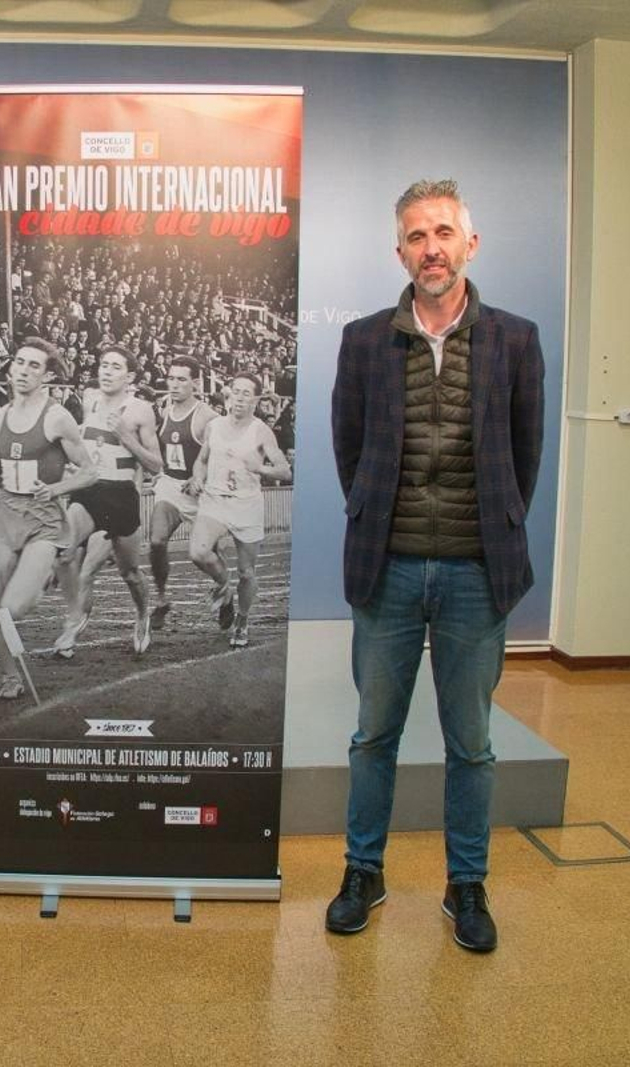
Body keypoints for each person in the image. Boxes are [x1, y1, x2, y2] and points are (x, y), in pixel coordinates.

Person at [325, 180, 544, 953]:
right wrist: (380, 520)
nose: (432, 248)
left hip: (474, 576)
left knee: (472, 742)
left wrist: (487, 535)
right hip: (386, 573)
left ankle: (467, 883)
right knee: (372, 735)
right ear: (400, 252)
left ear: (470, 244)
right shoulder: (362, 341)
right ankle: (363, 872)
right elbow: (350, 449)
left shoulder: (516, 340)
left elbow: (524, 458)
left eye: (444, 232)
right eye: (417, 236)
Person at [0, 339, 96, 699]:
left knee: (14, 607)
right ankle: (11, 675)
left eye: (34, 366)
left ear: (47, 375)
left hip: (44, 521)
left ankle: (47, 569)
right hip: (6, 516)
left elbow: (90, 472)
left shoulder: (57, 417)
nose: (23, 370)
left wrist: (57, 488)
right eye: (19, 362)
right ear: (10, 367)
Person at [51, 346, 162, 659]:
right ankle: (76, 618)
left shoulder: (140, 411)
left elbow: (156, 465)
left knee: (130, 573)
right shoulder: (89, 399)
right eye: (104, 365)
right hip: (89, 490)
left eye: (115, 367)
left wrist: (126, 436)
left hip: (121, 497)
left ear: (129, 376)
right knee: (65, 551)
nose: (107, 371)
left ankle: (142, 617)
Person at [186, 374, 291, 649]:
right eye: (235, 392)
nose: (239, 399)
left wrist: (261, 469)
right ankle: (223, 586)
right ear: (228, 395)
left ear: (256, 400)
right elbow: (201, 461)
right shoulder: (214, 426)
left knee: (247, 572)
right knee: (198, 551)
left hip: (246, 505)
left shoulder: (261, 431)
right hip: (215, 500)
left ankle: (242, 620)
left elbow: (285, 470)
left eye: (246, 394)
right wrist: (198, 477)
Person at [146, 356, 216, 629]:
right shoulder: (164, 409)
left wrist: (200, 477)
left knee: (205, 555)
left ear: (195, 383)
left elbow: (219, 454)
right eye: (171, 378)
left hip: (200, 492)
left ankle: (225, 593)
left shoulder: (207, 417)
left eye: (181, 379)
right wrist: (157, 473)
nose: (173, 385)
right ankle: (162, 600)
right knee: (156, 541)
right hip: (171, 488)